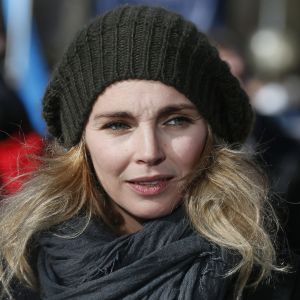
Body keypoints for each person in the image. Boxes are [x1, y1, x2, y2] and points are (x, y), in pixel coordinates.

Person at [0, 5, 297, 300]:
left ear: (210, 132)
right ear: (80, 142)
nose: (149, 151)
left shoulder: (266, 271)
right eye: (118, 125)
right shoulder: (21, 269)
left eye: (176, 121)